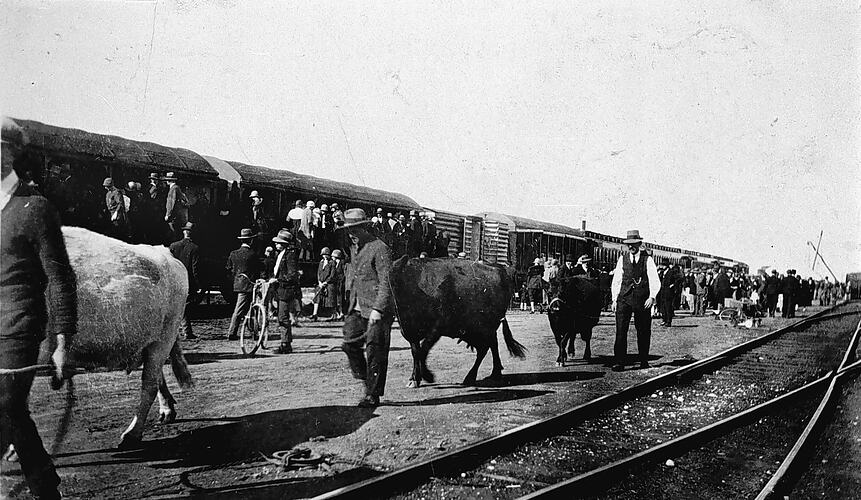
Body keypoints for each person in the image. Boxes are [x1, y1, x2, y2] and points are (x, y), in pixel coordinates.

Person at [2, 118, 77, 500]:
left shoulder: (34, 208)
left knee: (6, 404)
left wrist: (63, 341)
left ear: (8, 152)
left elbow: (61, 278)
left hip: (19, 326)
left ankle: (46, 491)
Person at [338, 208, 395, 408]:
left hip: (377, 309)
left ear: (365, 227)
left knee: (375, 351)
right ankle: (367, 380)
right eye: (348, 229)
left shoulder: (380, 248)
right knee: (348, 344)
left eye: (354, 229)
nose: (351, 233)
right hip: (357, 306)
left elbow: (386, 282)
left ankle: (373, 393)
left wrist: (378, 309)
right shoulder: (354, 248)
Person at [610, 230, 661, 371]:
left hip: (642, 300)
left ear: (639, 244)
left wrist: (652, 297)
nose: (631, 247)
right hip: (624, 299)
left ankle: (644, 360)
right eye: (628, 245)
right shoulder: (622, 259)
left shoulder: (648, 259)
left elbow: (654, 280)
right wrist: (615, 299)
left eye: (633, 244)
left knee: (643, 331)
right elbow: (617, 280)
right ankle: (620, 361)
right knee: (621, 331)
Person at [225, 228, 260, 341]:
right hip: (250, 285)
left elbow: (228, 269)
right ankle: (234, 332)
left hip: (238, 284)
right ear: (251, 241)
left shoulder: (233, 253)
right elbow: (257, 270)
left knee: (242, 309)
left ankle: (241, 332)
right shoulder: (253, 254)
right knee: (248, 310)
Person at [169, 222, 201, 340]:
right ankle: (186, 331)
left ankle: (183, 331)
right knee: (185, 307)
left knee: (178, 306)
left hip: (175, 279)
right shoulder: (195, 248)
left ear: (184, 232)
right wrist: (198, 284)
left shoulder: (173, 246)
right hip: (187, 281)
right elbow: (195, 268)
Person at [271, 229, 301, 353]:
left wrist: (278, 280)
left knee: (283, 317)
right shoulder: (280, 254)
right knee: (281, 316)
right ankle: (285, 342)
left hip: (286, 290)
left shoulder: (290, 255)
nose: (276, 244)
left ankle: (286, 344)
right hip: (280, 290)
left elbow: (292, 274)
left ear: (284, 243)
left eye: (278, 242)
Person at [311, 247, 336, 321]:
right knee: (317, 297)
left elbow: (332, 275)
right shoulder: (321, 262)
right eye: (323, 255)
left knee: (331, 298)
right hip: (321, 283)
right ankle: (314, 314)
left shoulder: (332, 263)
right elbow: (318, 273)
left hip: (329, 283)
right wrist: (320, 282)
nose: (324, 256)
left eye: (326, 255)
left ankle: (333, 314)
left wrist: (326, 282)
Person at [163, 172, 189, 242]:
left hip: (173, 216)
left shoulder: (173, 189)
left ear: (169, 180)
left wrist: (168, 214)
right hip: (177, 215)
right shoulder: (176, 188)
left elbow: (172, 203)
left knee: (172, 232)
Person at [659, 260, 683, 327]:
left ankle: (668, 321)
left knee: (668, 306)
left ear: (666, 266)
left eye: (663, 265)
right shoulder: (663, 272)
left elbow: (679, 279)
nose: (662, 266)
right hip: (663, 291)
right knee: (663, 307)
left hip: (669, 292)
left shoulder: (671, 272)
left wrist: (673, 285)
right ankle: (664, 320)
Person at [330, 248, 346, 321]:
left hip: (340, 282)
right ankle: (335, 313)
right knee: (334, 298)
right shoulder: (332, 263)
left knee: (340, 298)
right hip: (335, 283)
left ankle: (341, 313)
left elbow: (344, 273)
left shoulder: (342, 263)